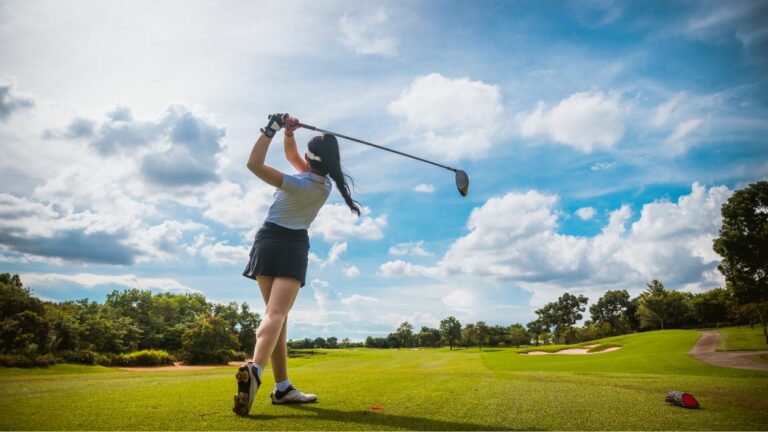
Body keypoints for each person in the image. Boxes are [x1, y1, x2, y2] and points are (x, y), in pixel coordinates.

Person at [233, 113, 361, 416]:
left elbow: (253, 164)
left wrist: (271, 130)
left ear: (309, 157)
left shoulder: (294, 183)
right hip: (292, 246)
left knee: (276, 316)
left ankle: (281, 386)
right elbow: (295, 156)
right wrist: (289, 134)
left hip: (266, 242)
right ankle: (256, 371)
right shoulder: (324, 185)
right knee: (277, 315)